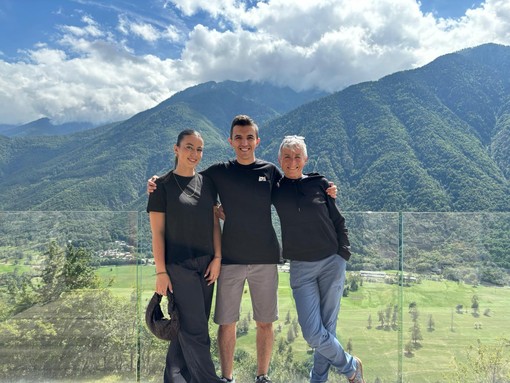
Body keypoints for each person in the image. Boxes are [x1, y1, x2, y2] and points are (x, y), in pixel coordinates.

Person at [148, 115, 337, 383]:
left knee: (265, 322)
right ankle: (226, 378)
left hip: (266, 258)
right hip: (229, 259)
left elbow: (296, 187)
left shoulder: (270, 171)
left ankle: (262, 376)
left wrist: (325, 188)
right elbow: (184, 176)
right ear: (230, 141)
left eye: (249, 137)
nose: (244, 142)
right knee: (227, 323)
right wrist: (156, 181)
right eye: (238, 137)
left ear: (257, 140)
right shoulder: (217, 172)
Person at [272, 135, 365, 383]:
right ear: (280, 159)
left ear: (305, 159)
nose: (292, 161)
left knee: (328, 327)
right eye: (287, 156)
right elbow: (248, 199)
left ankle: (318, 380)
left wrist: (343, 253)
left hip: (331, 262)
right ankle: (350, 366)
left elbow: (338, 220)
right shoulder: (275, 188)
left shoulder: (320, 184)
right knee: (313, 333)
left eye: (297, 156)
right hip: (301, 267)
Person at [147, 129, 224, 383]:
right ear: (176, 149)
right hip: (178, 267)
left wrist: (217, 258)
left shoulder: (208, 183)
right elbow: (157, 232)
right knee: (197, 332)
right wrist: (161, 271)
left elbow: (214, 223)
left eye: (199, 149)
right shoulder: (161, 187)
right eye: (189, 147)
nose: (194, 153)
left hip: (206, 265)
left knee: (188, 330)